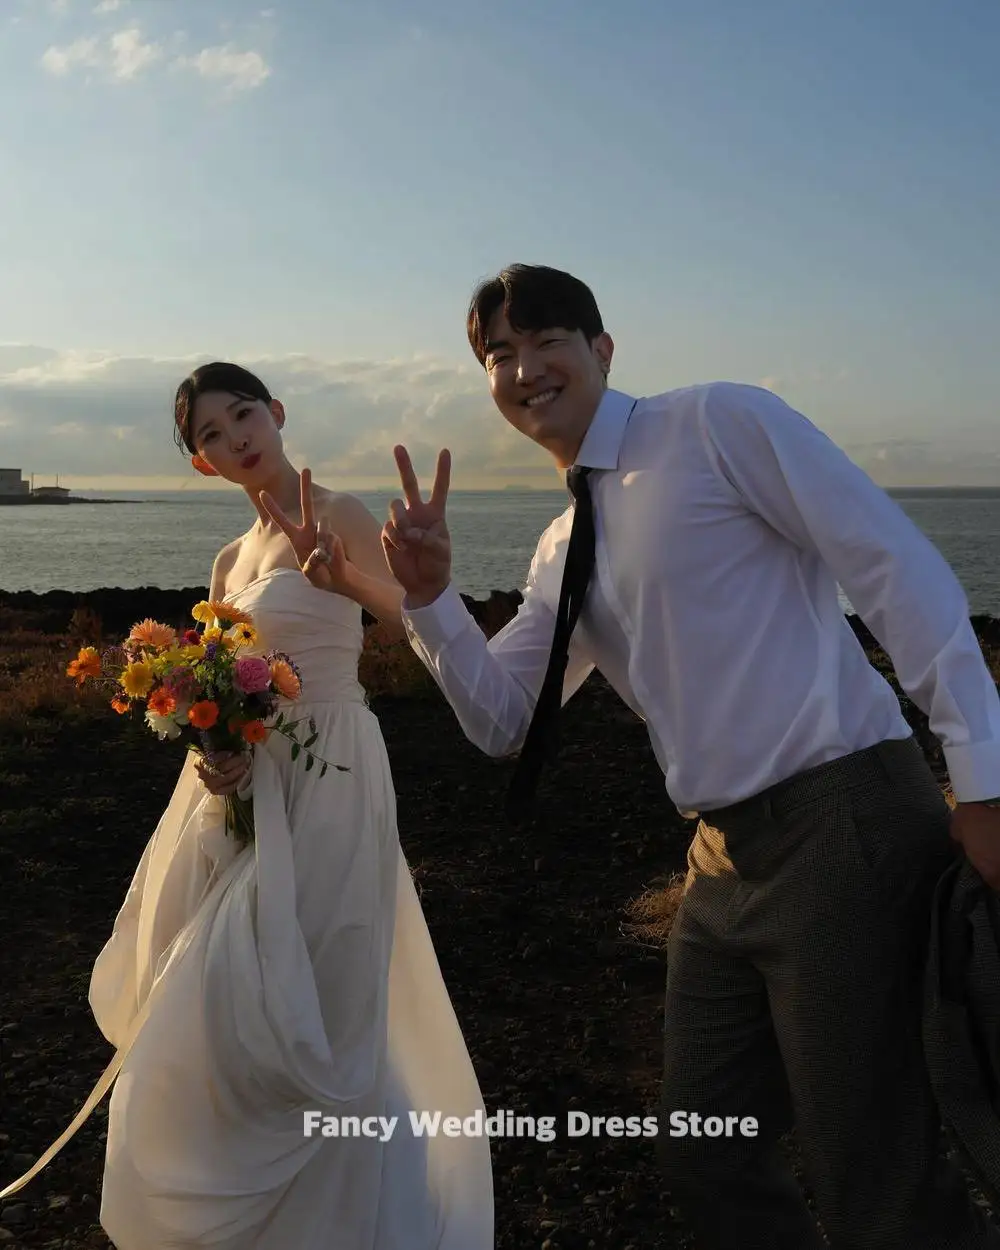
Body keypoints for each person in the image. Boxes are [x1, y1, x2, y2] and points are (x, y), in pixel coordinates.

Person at [288, 265, 1000, 1247]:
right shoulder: (558, 544)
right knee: (705, 1151)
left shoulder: (715, 425)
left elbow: (889, 561)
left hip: (845, 817)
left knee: (874, 1171)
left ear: (602, 349)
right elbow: (503, 719)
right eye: (498, 353)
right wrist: (426, 597)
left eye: (547, 341)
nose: (524, 367)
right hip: (717, 856)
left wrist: (980, 772)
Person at [10, 362, 494, 1249]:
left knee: (327, 990)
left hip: (337, 768)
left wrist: (343, 575)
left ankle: (363, 1215)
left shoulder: (341, 510)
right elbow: (226, 686)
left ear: (276, 412)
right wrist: (217, 749)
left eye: (244, 414)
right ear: (202, 464)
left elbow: (413, 622)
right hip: (253, 787)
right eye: (211, 434)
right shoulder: (228, 561)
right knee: (215, 989)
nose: (236, 437)